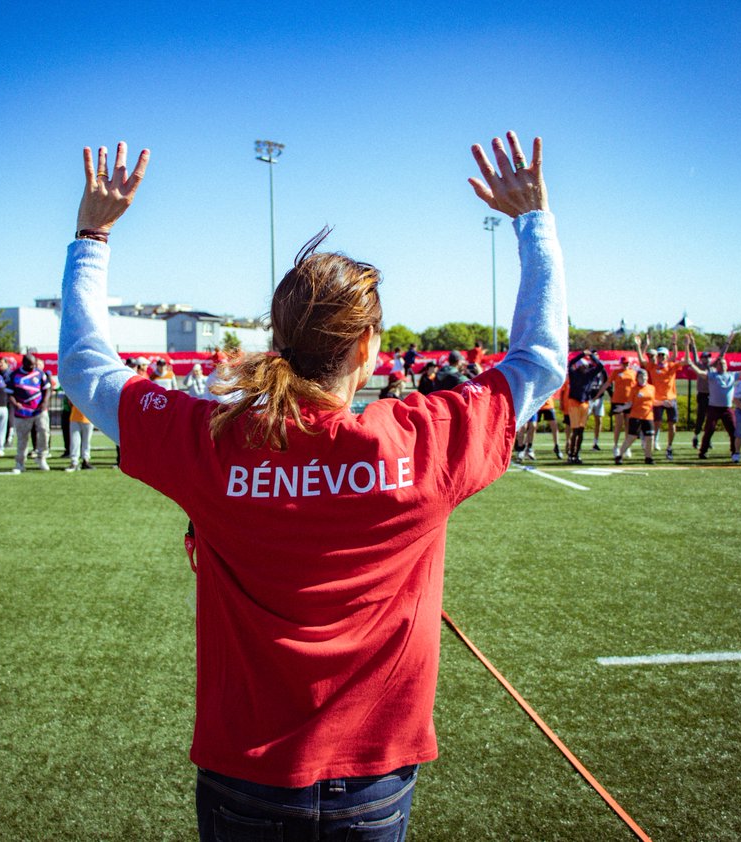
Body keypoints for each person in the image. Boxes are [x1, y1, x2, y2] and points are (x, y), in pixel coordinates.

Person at [58, 133, 564, 839]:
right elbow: (540, 359)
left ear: (280, 338)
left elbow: (86, 369)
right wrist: (533, 221)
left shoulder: (215, 440)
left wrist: (93, 233)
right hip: (372, 775)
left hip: (245, 778)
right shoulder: (419, 443)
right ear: (367, 348)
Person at [685, 335, 738, 461]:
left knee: (712, 423)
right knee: (701, 417)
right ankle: (697, 436)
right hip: (703, 395)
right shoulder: (699, 365)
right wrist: (692, 343)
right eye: (704, 357)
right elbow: (694, 357)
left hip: (713, 397)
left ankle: (709, 442)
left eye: (708, 357)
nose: (706, 359)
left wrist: (727, 343)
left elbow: (721, 355)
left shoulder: (714, 366)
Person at [634, 331, 682, 460]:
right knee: (656, 424)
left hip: (671, 399)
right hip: (658, 400)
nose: (660, 357)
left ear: (666, 356)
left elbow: (681, 359)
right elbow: (641, 360)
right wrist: (639, 346)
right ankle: (652, 443)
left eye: (662, 355)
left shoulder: (671, 366)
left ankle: (669, 447)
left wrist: (675, 343)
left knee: (672, 425)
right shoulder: (652, 367)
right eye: (659, 355)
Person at [8, 353, 52, 473]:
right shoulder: (14, 375)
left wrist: (44, 402)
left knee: (44, 431)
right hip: (22, 412)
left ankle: (42, 457)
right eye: (31, 365)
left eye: (34, 364)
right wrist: (15, 403)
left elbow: (47, 389)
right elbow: (10, 393)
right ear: (24, 364)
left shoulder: (40, 374)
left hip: (39, 410)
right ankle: (20, 462)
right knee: (22, 437)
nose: (33, 366)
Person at [563, 349, 605, 463]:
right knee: (575, 430)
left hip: (584, 403)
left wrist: (591, 356)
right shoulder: (574, 374)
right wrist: (582, 355)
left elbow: (600, 366)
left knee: (581, 431)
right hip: (574, 403)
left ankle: (576, 454)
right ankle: (571, 454)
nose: (583, 368)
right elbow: (570, 364)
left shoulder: (588, 374)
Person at [614, 369, 656, 465]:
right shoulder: (634, 389)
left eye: (645, 376)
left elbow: (654, 401)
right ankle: (619, 455)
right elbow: (630, 403)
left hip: (648, 417)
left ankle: (648, 457)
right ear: (637, 378)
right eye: (641, 376)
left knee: (650, 437)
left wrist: (664, 403)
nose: (643, 378)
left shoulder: (652, 388)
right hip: (636, 416)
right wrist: (622, 408)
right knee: (631, 437)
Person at [603, 356, 637, 458]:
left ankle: (626, 447)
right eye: (624, 363)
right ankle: (616, 446)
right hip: (617, 400)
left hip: (629, 401)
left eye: (627, 363)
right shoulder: (616, 372)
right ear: (620, 363)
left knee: (627, 425)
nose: (625, 365)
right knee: (619, 424)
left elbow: (635, 386)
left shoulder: (633, 372)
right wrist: (597, 395)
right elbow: (607, 383)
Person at [65, 402, 95, 471]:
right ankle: (74, 462)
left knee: (86, 441)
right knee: (75, 441)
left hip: (88, 418)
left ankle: (85, 460)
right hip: (76, 417)